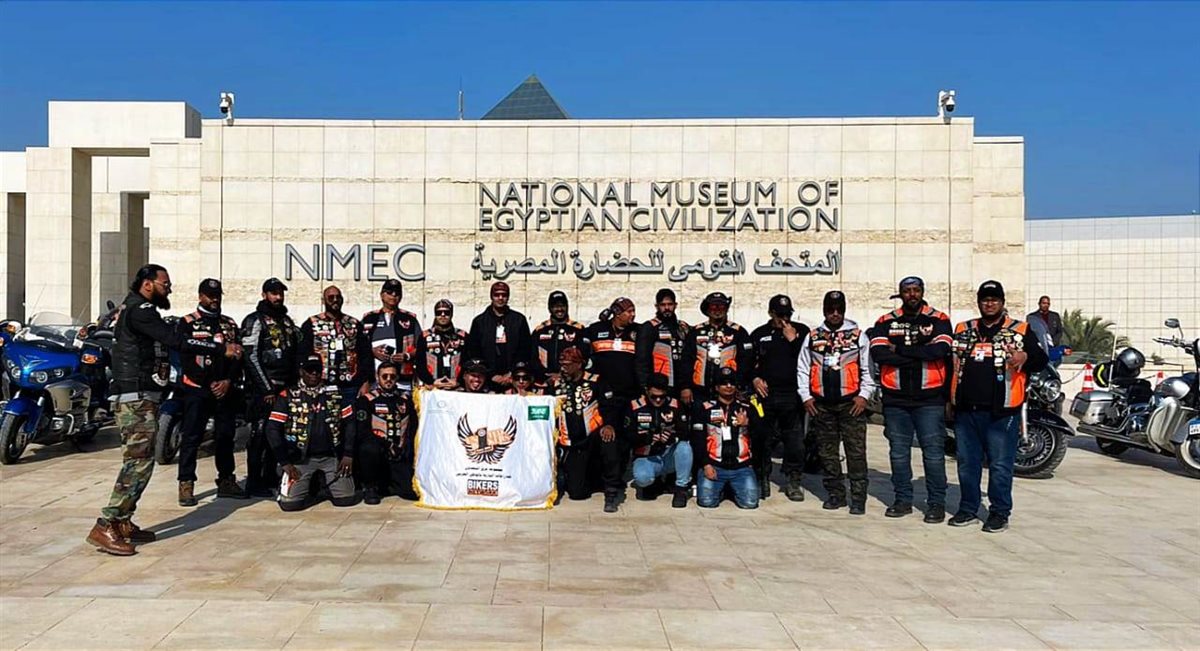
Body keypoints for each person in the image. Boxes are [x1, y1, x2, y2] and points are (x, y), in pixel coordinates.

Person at [86, 264, 241, 556]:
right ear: (148, 284)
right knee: (138, 462)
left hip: (140, 394)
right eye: (165, 284)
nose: (168, 289)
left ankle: (123, 521)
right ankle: (107, 524)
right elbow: (177, 340)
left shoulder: (134, 308)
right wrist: (221, 349)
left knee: (141, 460)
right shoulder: (141, 310)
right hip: (135, 396)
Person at [949, 281, 1048, 533]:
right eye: (985, 299)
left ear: (1002, 303)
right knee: (967, 464)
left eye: (994, 299)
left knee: (1000, 465)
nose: (989, 304)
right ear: (978, 302)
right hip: (966, 410)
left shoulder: (1020, 330)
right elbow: (952, 365)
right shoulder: (963, 329)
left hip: (1002, 411)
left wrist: (1025, 356)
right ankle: (968, 509)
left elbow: (1041, 359)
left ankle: (999, 513)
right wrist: (949, 401)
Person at [868, 277, 954, 522]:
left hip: (930, 399)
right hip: (896, 400)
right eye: (907, 291)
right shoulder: (885, 321)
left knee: (933, 454)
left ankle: (936, 503)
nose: (912, 294)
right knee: (898, 453)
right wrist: (920, 355)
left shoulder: (939, 319)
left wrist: (900, 350)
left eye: (916, 290)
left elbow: (940, 350)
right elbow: (879, 354)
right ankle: (902, 500)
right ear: (900, 294)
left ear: (922, 292)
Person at [798, 291, 876, 515]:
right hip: (821, 405)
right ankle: (835, 494)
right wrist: (806, 397)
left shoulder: (858, 336)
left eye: (838, 309)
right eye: (830, 309)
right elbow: (803, 368)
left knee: (856, 453)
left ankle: (858, 498)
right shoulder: (813, 336)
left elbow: (868, 369)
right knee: (827, 453)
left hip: (851, 404)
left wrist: (864, 396)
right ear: (824, 310)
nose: (834, 313)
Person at [176, 278, 248, 506]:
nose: (214, 299)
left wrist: (228, 380)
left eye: (217, 295)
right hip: (197, 389)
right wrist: (208, 383)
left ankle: (226, 480)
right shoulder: (188, 323)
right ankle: (186, 483)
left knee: (225, 436)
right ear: (200, 296)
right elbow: (186, 358)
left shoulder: (229, 324)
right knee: (192, 437)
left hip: (225, 390)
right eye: (210, 295)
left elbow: (238, 356)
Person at [266, 355, 360, 512]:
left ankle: (323, 483)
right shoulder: (287, 395)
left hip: (331, 456)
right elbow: (272, 429)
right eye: (309, 370)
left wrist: (348, 454)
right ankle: (305, 484)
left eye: (317, 370)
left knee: (346, 500)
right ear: (301, 372)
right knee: (290, 505)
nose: (314, 373)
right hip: (300, 458)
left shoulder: (336, 392)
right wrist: (284, 462)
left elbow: (350, 422)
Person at [241, 277, 300, 498]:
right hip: (262, 390)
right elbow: (250, 357)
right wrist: (266, 389)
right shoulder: (254, 320)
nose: (278, 297)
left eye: (280, 293)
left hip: (284, 389)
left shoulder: (286, 321)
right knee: (259, 434)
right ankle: (253, 481)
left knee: (277, 433)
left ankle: (269, 476)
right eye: (274, 293)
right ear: (264, 295)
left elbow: (293, 355)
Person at [748, 294, 810, 501]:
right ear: (771, 313)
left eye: (787, 314)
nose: (784, 319)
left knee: (794, 440)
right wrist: (755, 378)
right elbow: (748, 363)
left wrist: (794, 340)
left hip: (792, 395)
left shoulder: (801, 332)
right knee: (761, 438)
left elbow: (809, 360)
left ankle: (793, 479)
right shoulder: (759, 334)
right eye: (780, 314)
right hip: (765, 395)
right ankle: (761, 477)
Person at [549, 347, 623, 512]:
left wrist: (609, 424)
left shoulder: (596, 381)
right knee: (577, 493)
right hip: (572, 442)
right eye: (561, 364)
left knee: (610, 441)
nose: (563, 368)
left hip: (595, 434)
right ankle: (586, 478)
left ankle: (611, 491)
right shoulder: (556, 384)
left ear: (579, 364)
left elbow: (610, 406)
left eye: (567, 365)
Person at [691, 367, 760, 509]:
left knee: (750, 503)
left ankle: (731, 488)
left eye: (732, 383)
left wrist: (749, 424)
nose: (728, 386)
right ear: (717, 387)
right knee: (707, 502)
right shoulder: (704, 408)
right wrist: (706, 464)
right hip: (714, 465)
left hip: (741, 466)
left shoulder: (747, 408)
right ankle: (723, 488)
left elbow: (763, 436)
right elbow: (697, 440)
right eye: (724, 383)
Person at [354, 362, 418, 504]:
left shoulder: (406, 400)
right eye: (384, 376)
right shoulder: (367, 400)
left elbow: (413, 428)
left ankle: (389, 485)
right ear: (377, 377)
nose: (388, 379)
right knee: (368, 448)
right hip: (378, 453)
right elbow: (363, 431)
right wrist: (387, 445)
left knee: (411, 493)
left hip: (399, 454)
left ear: (397, 378)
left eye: (392, 376)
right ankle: (370, 487)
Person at [625, 374, 691, 507]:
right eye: (654, 396)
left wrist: (672, 437)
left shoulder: (675, 404)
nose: (658, 400)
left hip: (668, 455)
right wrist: (647, 438)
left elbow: (685, 432)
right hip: (646, 456)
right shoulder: (634, 406)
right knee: (643, 478)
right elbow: (627, 436)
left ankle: (681, 488)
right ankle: (655, 482)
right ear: (647, 391)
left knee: (685, 447)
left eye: (662, 396)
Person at [299, 285, 366, 406]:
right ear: (323, 300)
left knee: (350, 416)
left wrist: (365, 381)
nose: (335, 300)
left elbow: (365, 354)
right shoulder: (311, 324)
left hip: (350, 384)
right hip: (321, 384)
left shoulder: (354, 324)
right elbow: (302, 354)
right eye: (331, 297)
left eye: (338, 297)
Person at [682, 292, 751, 405]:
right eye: (714, 306)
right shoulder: (695, 331)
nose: (717, 310)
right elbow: (686, 361)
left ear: (727, 308)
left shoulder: (738, 332)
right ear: (707, 309)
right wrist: (685, 387)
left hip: (728, 391)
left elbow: (746, 362)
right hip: (699, 392)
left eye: (721, 306)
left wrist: (739, 385)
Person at [466, 281, 532, 391]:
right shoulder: (479, 322)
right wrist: (491, 374)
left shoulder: (519, 320)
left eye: (504, 295)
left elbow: (525, 350)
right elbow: (474, 351)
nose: (500, 298)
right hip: (487, 380)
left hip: (513, 380)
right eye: (497, 295)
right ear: (491, 296)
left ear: (508, 297)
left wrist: (512, 373)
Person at [359, 279, 421, 391]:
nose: (393, 295)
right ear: (382, 295)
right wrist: (372, 351)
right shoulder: (369, 318)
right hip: (373, 380)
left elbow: (422, 347)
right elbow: (357, 347)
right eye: (389, 292)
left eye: (397, 293)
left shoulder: (409, 319)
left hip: (402, 379)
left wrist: (407, 355)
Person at [580, 297, 641, 402]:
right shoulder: (596, 329)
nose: (633, 314)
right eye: (629, 312)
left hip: (630, 393)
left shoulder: (640, 330)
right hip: (603, 392)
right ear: (618, 314)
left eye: (634, 311)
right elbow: (581, 349)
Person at [634, 288, 689, 394]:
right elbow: (641, 361)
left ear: (675, 305)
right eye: (663, 305)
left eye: (670, 304)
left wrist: (687, 386)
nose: (667, 308)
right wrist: (645, 386)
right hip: (659, 386)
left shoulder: (683, 327)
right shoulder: (649, 327)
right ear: (657, 306)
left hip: (681, 386)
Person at [530, 290, 585, 384]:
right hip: (545, 381)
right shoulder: (540, 331)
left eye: (562, 306)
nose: (559, 309)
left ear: (567, 307)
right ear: (549, 308)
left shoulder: (578, 330)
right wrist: (545, 376)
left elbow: (583, 356)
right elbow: (532, 358)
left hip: (570, 380)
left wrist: (563, 374)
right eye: (555, 306)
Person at [415, 299, 469, 390]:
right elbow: (419, 363)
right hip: (432, 386)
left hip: (456, 386)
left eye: (446, 312)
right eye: (439, 313)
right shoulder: (425, 336)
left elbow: (467, 363)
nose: (443, 315)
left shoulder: (462, 336)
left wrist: (459, 381)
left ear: (451, 314)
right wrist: (431, 381)